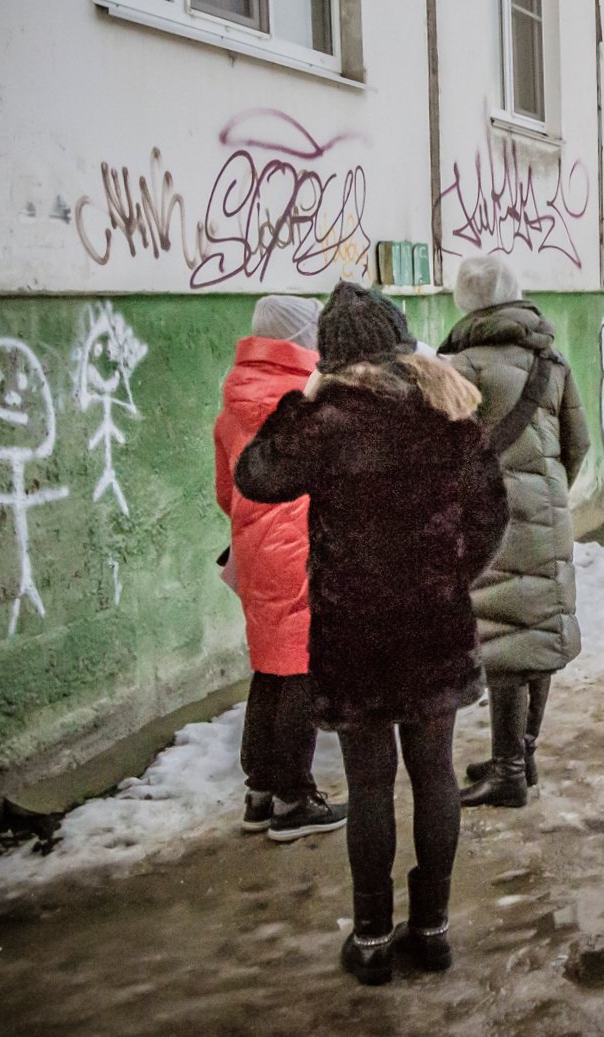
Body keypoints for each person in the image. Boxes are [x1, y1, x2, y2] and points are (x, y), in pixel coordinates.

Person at [235, 282, 509, 986]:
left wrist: (301, 395)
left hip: (355, 635)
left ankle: (371, 938)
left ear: (335, 353)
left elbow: (256, 473)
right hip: (433, 628)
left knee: (371, 784)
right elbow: (491, 515)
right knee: (435, 771)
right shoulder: (448, 407)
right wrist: (449, 575)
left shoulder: (324, 419)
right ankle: (435, 928)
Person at [439, 256, 589, 810]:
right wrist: (548, 495)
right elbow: (579, 444)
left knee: (503, 637)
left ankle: (506, 771)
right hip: (548, 515)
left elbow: (440, 457)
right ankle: (522, 754)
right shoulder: (550, 359)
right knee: (539, 631)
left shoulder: (457, 369)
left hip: (491, 522)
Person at [213, 295, 345, 842]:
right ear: (300, 340)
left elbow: (227, 490)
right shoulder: (304, 399)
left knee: (270, 667)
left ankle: (260, 792)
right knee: (298, 671)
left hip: (252, 550)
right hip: (301, 545)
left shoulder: (233, 403)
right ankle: (294, 799)